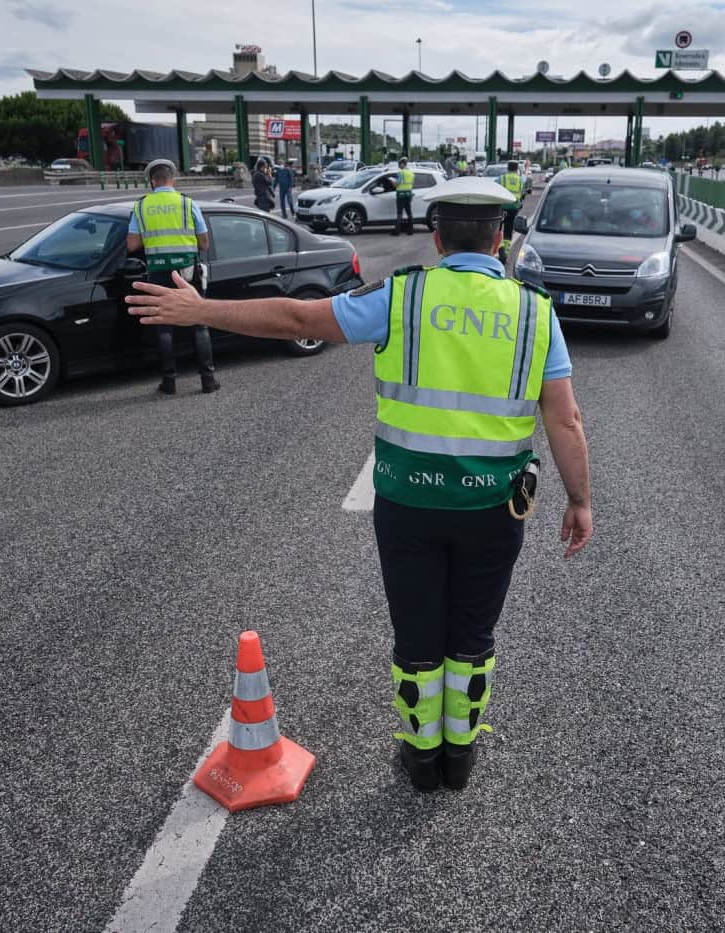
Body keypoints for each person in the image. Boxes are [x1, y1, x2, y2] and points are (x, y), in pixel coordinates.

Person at [125, 176, 593, 793]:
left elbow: (296, 316)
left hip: (407, 503)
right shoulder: (536, 312)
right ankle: (460, 760)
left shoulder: (400, 298)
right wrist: (580, 499)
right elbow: (564, 418)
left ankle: (421, 760)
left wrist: (201, 310)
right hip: (492, 508)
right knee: (473, 634)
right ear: (501, 237)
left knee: (418, 633)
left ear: (435, 236)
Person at [125, 159, 218, 395]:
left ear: (152, 181)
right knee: (199, 323)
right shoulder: (187, 203)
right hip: (187, 272)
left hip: (157, 272)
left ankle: (169, 382)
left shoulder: (141, 206)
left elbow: (132, 244)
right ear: (172, 179)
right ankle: (207, 380)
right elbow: (204, 244)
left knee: (164, 327)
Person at [497, 159, 524, 263]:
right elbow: (521, 194)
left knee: (497, 229)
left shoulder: (502, 178)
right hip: (513, 207)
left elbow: (495, 190)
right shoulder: (520, 180)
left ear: (508, 168)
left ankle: (500, 247)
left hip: (501, 207)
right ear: (517, 169)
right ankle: (506, 252)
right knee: (508, 230)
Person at [393, 157, 415, 236]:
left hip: (401, 195)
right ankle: (411, 231)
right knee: (409, 213)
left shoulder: (401, 172)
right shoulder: (411, 173)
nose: (399, 166)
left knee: (399, 213)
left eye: (399, 164)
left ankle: (397, 231)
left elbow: (397, 183)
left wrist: (393, 183)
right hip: (408, 194)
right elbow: (412, 184)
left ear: (402, 164)